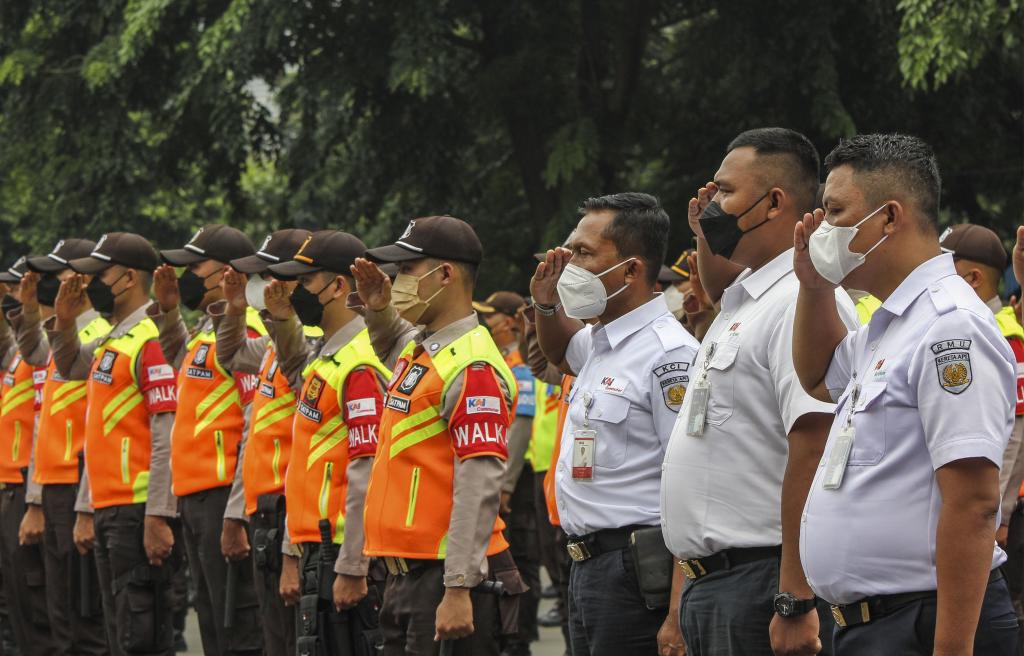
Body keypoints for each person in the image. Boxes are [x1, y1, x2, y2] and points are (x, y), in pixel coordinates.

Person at [793, 133, 1019, 654]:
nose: (822, 228)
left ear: (888, 217)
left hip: (925, 622)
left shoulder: (949, 326)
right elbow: (818, 375)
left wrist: (951, 649)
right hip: (876, 623)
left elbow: (975, 502)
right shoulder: (890, 322)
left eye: (835, 211)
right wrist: (812, 285)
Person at [662, 128, 858, 656]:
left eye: (724, 193)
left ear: (775, 203)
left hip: (761, 580)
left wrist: (795, 595)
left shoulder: (804, 302)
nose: (711, 206)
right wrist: (708, 234)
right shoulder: (745, 301)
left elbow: (813, 444)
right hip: (718, 582)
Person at [530, 192, 699, 656]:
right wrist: (546, 307)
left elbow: (689, 486)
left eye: (583, 254)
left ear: (631, 270)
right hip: (587, 564)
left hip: (636, 570)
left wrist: (676, 611)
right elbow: (560, 352)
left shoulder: (670, 355)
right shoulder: (602, 341)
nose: (568, 265)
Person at [351, 214, 526, 656]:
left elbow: (479, 481)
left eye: (408, 270)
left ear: (445, 274)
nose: (398, 280)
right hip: (407, 575)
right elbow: (392, 341)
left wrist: (459, 586)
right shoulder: (426, 348)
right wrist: (377, 309)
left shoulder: (473, 367)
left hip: (444, 577)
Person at [49, 232, 182, 655]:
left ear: (127, 278)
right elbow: (69, 366)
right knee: (117, 633)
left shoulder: (150, 339)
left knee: (139, 636)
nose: (88, 284)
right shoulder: (112, 339)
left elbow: (165, 432)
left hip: (137, 509)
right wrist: (65, 323)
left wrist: (158, 514)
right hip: (109, 508)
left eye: (97, 274)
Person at [262, 230, 390, 653]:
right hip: (316, 546)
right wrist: (291, 549)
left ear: (338, 286)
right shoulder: (328, 356)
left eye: (304, 282)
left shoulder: (359, 364)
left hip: (340, 549)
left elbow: (365, 469)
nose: (294, 291)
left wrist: (353, 564)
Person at [151, 225, 264, 656]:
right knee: (214, 625)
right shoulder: (206, 329)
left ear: (227, 272)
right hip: (195, 497)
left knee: (238, 628)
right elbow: (185, 365)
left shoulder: (247, 330)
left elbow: (255, 423)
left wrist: (236, 513)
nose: (187, 275)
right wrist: (167, 312)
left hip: (224, 498)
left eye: (195, 266)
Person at [211, 228, 314, 656]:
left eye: (270, 275)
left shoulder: (308, 346)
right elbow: (231, 356)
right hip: (265, 511)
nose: (260, 285)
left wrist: (291, 551)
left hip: (294, 515)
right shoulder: (273, 345)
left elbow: (310, 454)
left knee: (293, 639)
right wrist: (235, 310)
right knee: (275, 636)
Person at [9, 239, 111, 656]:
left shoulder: (99, 334)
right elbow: (32, 354)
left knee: (85, 623)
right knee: (59, 619)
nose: (51, 283)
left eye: (58, 274)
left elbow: (99, 430)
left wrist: (85, 504)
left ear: (83, 278)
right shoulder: (62, 334)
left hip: (77, 487)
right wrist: (30, 309)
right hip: (52, 487)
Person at [939, 224, 1024, 562]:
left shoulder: (1004, 335)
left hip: (980, 522)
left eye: (945, 271)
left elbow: (1015, 440)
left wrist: (997, 519)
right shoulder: (957, 323)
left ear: (973, 279)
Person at [475, 291, 540, 656]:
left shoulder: (522, 365)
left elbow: (520, 428)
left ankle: (520, 637)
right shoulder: (500, 360)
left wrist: (506, 486)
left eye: (493, 317)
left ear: (510, 321)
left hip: (517, 480)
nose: (488, 325)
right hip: (506, 477)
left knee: (520, 561)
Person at [0, 256, 57, 656]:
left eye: (21, 288)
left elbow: (44, 426)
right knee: (19, 608)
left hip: (29, 487)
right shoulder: (23, 350)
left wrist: (34, 498)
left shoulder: (51, 348)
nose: (14, 297)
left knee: (40, 612)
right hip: (12, 486)